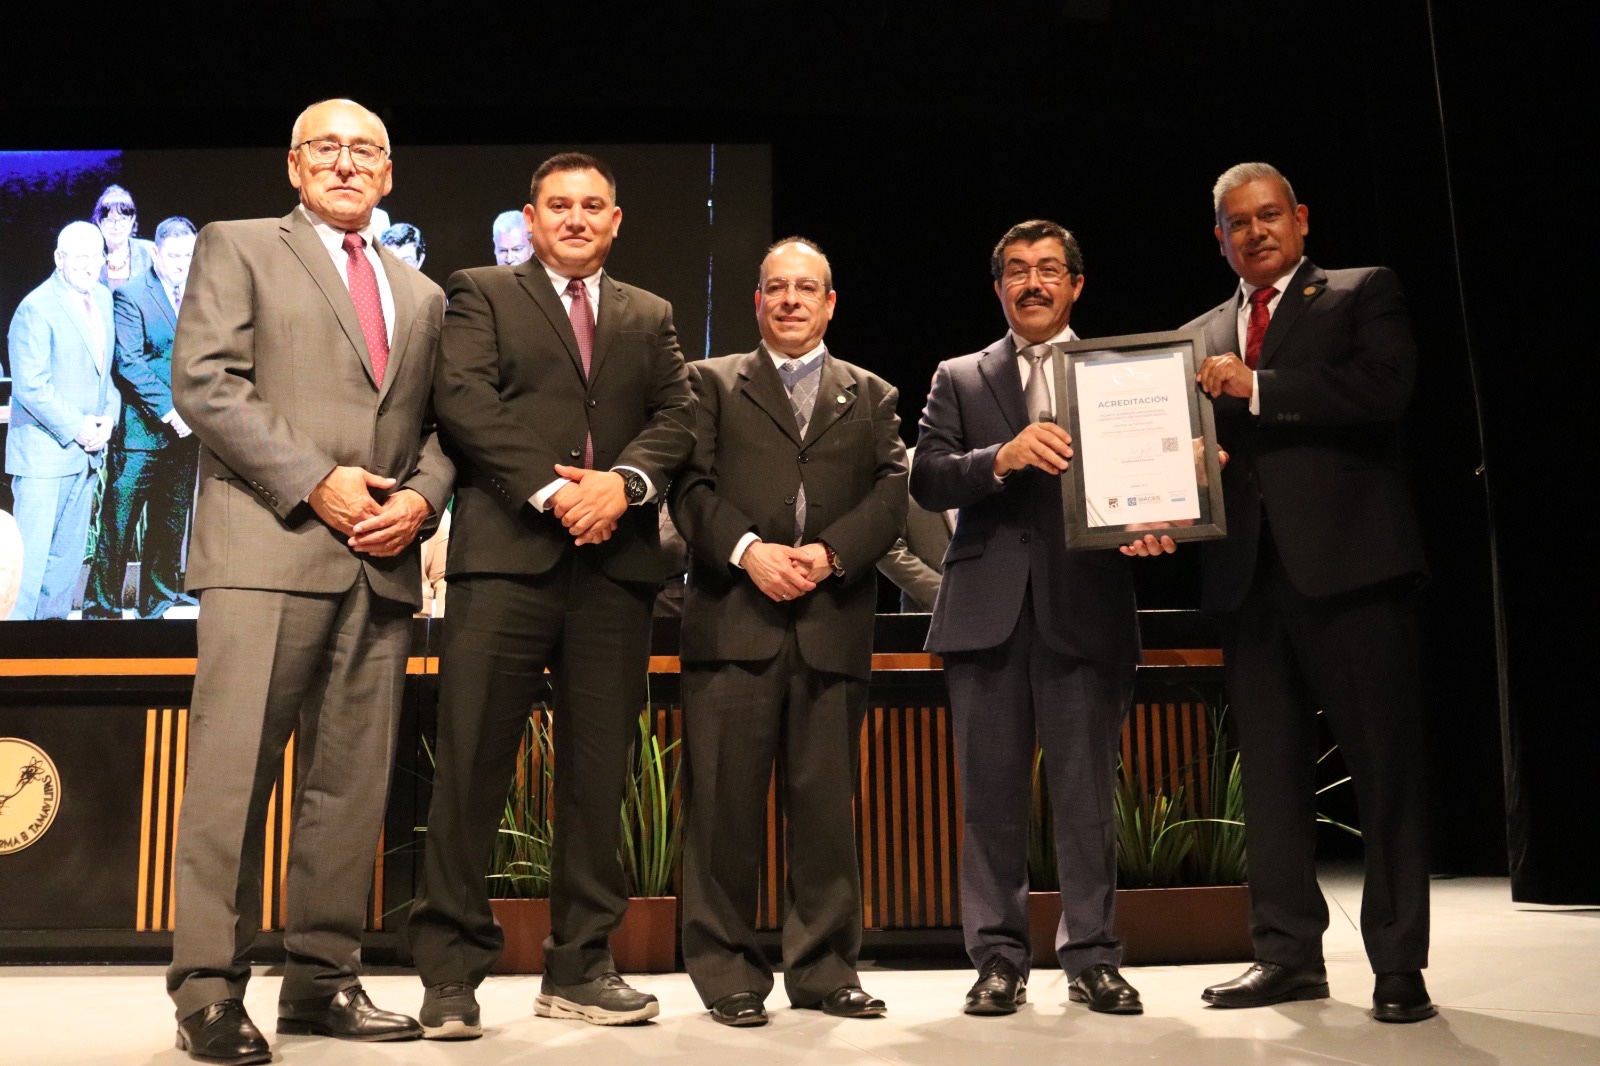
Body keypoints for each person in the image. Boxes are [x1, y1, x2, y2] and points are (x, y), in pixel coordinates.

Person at [165, 98, 454, 1065]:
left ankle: (322, 982)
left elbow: (440, 433)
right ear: (294, 166)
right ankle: (208, 991)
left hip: (379, 566)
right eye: (325, 148)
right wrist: (316, 482)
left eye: (365, 148)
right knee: (230, 780)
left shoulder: (421, 294)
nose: (345, 162)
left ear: (388, 171)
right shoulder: (238, 245)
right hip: (265, 554)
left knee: (350, 788)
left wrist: (419, 503)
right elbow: (205, 383)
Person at [406, 151, 694, 1040]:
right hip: (506, 563)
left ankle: (582, 965)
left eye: (592, 206)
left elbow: (678, 418)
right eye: (558, 205)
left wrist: (626, 488)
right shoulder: (480, 292)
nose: (575, 218)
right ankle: (452, 975)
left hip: (615, 572)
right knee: (471, 769)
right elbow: (464, 403)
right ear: (530, 221)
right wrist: (560, 491)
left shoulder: (652, 314)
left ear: (616, 221)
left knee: (598, 774)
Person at [1188, 162, 1434, 1024]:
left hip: (1354, 569)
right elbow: (1186, 446)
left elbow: (1385, 391)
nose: (1254, 233)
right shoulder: (1200, 331)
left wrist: (1259, 388)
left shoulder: (1362, 292)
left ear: (1299, 218)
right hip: (1248, 578)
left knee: (1385, 772)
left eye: (1268, 217)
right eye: (1236, 223)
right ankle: (1286, 955)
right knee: (1272, 781)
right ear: (1218, 237)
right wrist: (1189, 473)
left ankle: (1399, 965)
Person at [911, 220, 1173, 1018]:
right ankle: (997, 959)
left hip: (1086, 606)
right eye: (1017, 270)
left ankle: (1092, 958)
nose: (1033, 282)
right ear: (999, 287)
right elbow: (925, 479)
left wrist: (1161, 517)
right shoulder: (959, 376)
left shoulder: (1125, 375)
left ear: (1076, 285)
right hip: (988, 612)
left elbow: (1155, 475)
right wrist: (1001, 458)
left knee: (1088, 796)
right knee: (988, 798)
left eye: (1049, 270)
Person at [671, 237, 905, 1028]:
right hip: (734, 626)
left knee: (826, 817)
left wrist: (832, 552)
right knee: (722, 817)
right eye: (778, 288)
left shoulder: (871, 394)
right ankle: (728, 975)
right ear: (758, 300)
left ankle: (826, 971)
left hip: (831, 626)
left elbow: (893, 491)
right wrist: (748, 551)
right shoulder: (708, 383)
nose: (793, 300)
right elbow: (688, 487)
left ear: (831, 302)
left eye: (808, 288)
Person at [82, 216, 200, 620]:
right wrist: (172, 411)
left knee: (171, 521)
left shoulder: (203, 294)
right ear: (156, 253)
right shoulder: (132, 294)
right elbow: (129, 363)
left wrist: (194, 413)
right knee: (119, 522)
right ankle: (102, 604)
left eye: (189, 254)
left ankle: (160, 597)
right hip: (141, 435)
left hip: (187, 435)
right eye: (174, 256)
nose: (183, 263)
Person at [4, 220, 118, 619]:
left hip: (85, 457)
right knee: (29, 573)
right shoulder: (35, 308)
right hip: (43, 460)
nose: (91, 266)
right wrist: (79, 427)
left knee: (65, 569)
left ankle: (49, 654)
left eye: (97, 256)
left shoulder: (103, 299)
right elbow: (31, 386)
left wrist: (108, 418)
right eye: (81, 257)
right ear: (59, 259)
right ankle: (16, 665)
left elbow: (106, 377)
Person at [875, 445, 950, 612]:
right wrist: (946, 596)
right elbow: (885, 546)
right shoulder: (901, 468)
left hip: (999, 613)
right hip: (924, 617)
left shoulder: (1000, 464)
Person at [93, 184, 158, 289]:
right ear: (99, 222)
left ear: (132, 220)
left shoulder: (150, 252)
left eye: (123, 219)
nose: (117, 227)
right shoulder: (90, 256)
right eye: (110, 220)